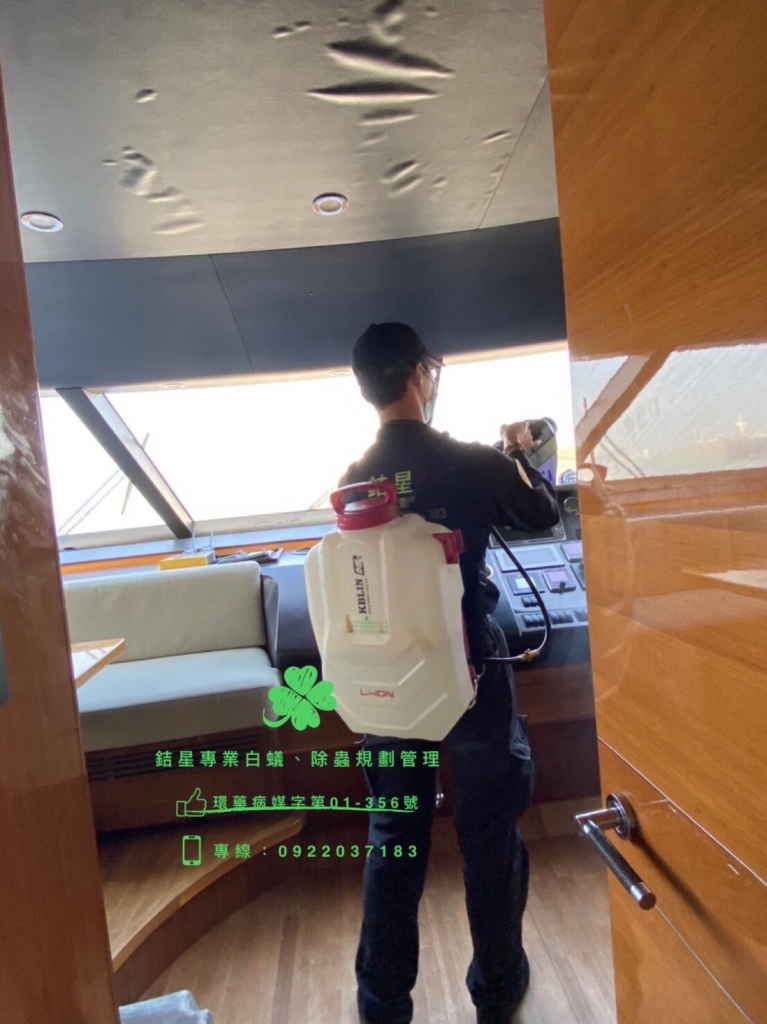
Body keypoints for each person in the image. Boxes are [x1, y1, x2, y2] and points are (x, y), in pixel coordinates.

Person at [337, 323, 560, 1024]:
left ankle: (382, 1004)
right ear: (418, 375)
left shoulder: (352, 480)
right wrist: (522, 454)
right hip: (466, 666)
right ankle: (497, 988)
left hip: (388, 677)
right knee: (488, 833)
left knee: (394, 835)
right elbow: (540, 514)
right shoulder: (471, 461)